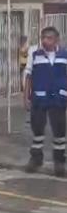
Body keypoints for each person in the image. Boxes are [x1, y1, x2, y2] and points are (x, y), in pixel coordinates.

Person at [23, 27, 67, 177]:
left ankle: (59, 162)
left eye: (49, 38)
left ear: (56, 39)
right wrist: (25, 98)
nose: (45, 41)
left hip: (59, 98)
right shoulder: (34, 54)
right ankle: (36, 159)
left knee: (60, 132)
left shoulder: (64, 54)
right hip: (39, 98)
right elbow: (28, 76)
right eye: (43, 38)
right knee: (37, 131)